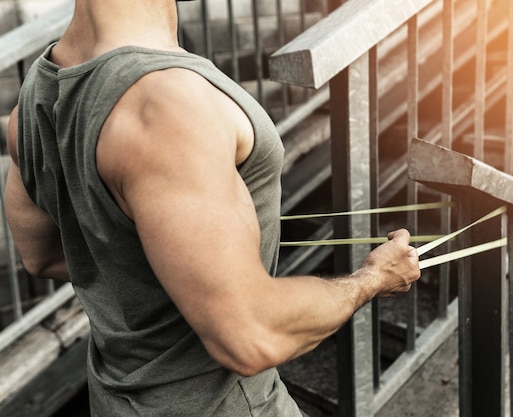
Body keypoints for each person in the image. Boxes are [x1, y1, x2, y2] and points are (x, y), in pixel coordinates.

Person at [5, 0, 421, 415]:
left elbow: (43, 256)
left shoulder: (35, 97)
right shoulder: (167, 106)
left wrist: (176, 252)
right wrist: (373, 279)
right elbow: (252, 333)